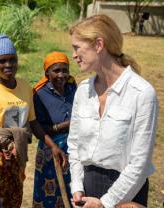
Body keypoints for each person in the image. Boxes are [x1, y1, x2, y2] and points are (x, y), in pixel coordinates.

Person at [0, 33, 67, 208]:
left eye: (12, 60)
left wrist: (53, 146)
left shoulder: (25, 87)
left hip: (17, 156)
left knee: (14, 200)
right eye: (2, 61)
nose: (8, 65)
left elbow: (33, 122)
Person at [67, 14, 158, 208]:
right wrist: (77, 187)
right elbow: (74, 145)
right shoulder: (83, 90)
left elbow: (139, 163)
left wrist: (105, 203)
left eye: (77, 48)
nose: (73, 55)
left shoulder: (141, 93)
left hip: (126, 195)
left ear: (99, 45)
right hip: (86, 190)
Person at [32, 52, 77, 207]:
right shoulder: (39, 93)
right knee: (50, 191)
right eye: (56, 71)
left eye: (65, 70)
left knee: (73, 187)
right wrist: (64, 126)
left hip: (74, 146)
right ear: (47, 73)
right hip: (51, 147)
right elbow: (37, 126)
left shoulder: (73, 88)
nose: (61, 75)